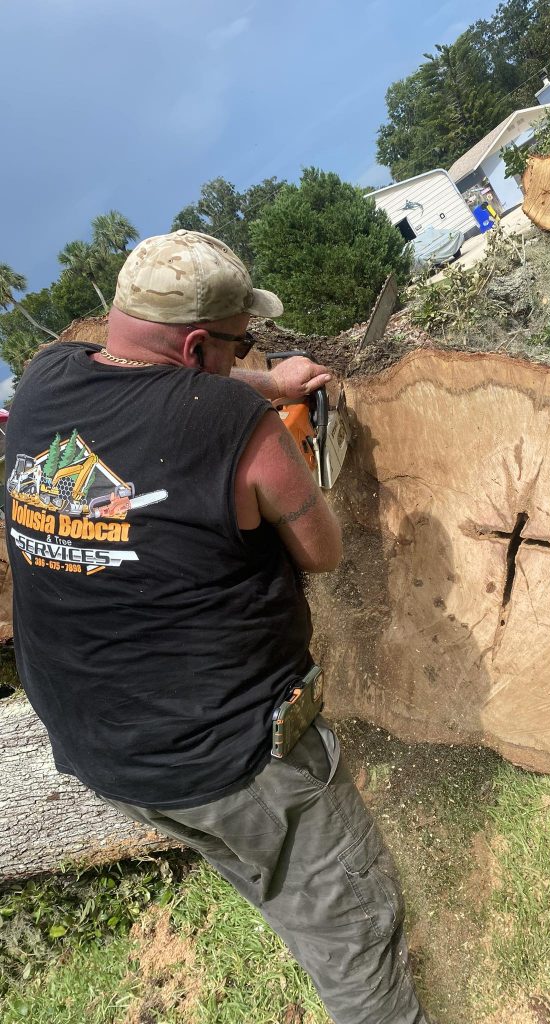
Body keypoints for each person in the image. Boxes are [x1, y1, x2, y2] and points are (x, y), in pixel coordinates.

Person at [5, 230, 429, 1024]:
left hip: (107, 754)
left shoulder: (44, 380)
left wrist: (271, 382)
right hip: (232, 752)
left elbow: (162, 386)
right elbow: (324, 551)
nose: (249, 352)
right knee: (352, 926)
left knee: (270, 882)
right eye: (240, 341)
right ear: (201, 344)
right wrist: (271, 451)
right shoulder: (234, 424)